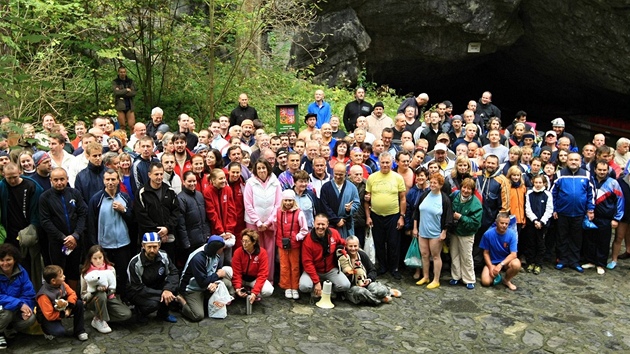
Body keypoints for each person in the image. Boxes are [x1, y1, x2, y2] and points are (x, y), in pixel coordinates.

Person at [87, 168, 133, 300]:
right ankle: (108, 302)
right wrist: (95, 246)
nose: (110, 182)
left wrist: (123, 210)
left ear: (118, 180)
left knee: (123, 275)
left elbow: (133, 219)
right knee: (106, 275)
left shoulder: (125, 197)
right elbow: (91, 224)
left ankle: (124, 299)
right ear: (103, 180)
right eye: (108, 179)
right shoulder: (96, 199)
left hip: (123, 243)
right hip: (105, 246)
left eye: (113, 179)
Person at [39, 167, 87, 291]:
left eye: (62, 179)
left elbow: (82, 214)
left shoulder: (74, 193)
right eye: (56, 180)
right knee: (58, 271)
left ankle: (73, 298)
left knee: (73, 270)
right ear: (51, 180)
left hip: (75, 240)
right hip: (57, 242)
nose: (59, 182)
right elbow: (45, 221)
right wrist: (63, 238)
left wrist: (75, 235)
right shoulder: (45, 197)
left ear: (67, 179)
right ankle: (59, 298)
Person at [0, 163, 43, 288]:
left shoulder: (32, 186)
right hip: (9, 234)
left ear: (19, 172)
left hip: (28, 234)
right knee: (10, 266)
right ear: (4, 175)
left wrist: (33, 230)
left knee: (29, 266)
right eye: (9, 178)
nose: (12, 180)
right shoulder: (2, 187)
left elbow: (37, 212)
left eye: (14, 177)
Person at [365, 152, 407, 280]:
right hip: (376, 215)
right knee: (379, 242)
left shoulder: (397, 178)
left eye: (387, 162)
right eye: (382, 162)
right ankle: (382, 267)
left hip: (393, 215)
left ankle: (394, 268)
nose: (385, 165)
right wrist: (368, 216)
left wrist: (402, 216)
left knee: (394, 243)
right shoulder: (372, 178)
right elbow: (366, 199)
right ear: (379, 163)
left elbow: (403, 198)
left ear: (392, 162)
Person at [552, 153, 594, 272]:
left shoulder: (586, 174)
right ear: (567, 161)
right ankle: (563, 259)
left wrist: (590, 209)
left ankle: (574, 261)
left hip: (580, 213)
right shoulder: (559, 174)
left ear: (580, 161)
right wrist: (554, 209)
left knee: (577, 238)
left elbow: (591, 193)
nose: (573, 162)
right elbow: (553, 193)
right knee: (562, 237)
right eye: (571, 160)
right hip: (562, 213)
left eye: (576, 160)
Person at [581, 160, 624, 274]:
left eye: (604, 170)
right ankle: (590, 261)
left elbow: (620, 201)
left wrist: (616, 218)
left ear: (608, 170)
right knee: (589, 240)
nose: (602, 172)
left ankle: (601, 264)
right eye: (599, 170)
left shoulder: (613, 183)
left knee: (603, 242)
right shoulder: (589, 181)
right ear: (595, 169)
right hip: (590, 216)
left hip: (606, 218)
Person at [412, 173, 454, 289]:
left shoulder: (444, 199)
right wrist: (415, 228)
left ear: (441, 185)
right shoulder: (425, 195)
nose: (432, 185)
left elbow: (448, 217)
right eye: (431, 182)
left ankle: (436, 279)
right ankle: (425, 276)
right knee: (424, 255)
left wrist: (444, 231)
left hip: (436, 233)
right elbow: (416, 212)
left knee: (436, 256)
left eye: (435, 183)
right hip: (422, 231)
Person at [127, 232, 179, 323]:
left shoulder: (164, 256)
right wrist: (162, 293)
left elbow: (173, 273)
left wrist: (167, 290)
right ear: (143, 246)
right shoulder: (135, 263)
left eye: (155, 247)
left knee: (172, 289)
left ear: (159, 246)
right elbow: (138, 288)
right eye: (149, 247)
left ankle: (163, 314)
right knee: (154, 303)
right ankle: (139, 312)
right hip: (137, 292)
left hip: (156, 285)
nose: (152, 250)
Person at [178, 235, 232, 322]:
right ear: (216, 249)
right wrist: (217, 276)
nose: (224, 248)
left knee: (227, 283)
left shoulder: (217, 254)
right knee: (197, 315)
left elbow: (216, 269)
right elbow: (202, 282)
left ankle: (205, 300)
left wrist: (215, 283)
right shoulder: (198, 258)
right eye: (222, 247)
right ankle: (181, 300)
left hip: (207, 283)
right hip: (193, 288)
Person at [243, 159, 281, 282]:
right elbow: (248, 205)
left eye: (263, 168)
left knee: (269, 252)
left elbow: (278, 204)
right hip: (253, 223)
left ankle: (268, 279)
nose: (261, 170)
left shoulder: (276, 182)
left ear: (268, 168)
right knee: (254, 250)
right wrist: (258, 222)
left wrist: (268, 222)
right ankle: (254, 280)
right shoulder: (250, 183)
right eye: (258, 168)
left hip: (270, 223)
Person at [79, 245, 132, 334]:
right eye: (95, 258)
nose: (98, 261)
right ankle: (100, 320)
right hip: (93, 300)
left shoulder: (110, 269)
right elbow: (83, 295)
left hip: (109, 298)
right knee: (101, 294)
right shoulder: (86, 273)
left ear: (104, 257)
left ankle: (100, 316)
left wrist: (108, 290)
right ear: (90, 259)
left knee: (126, 314)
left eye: (100, 257)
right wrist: (94, 290)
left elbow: (113, 288)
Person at [135, 162, 181, 260]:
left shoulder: (170, 191)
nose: (159, 177)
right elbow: (141, 216)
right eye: (156, 174)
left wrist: (167, 229)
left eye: (161, 174)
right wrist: (158, 233)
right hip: (150, 240)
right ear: (149, 175)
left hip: (168, 238)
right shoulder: (142, 193)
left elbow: (176, 212)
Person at [299, 214, 351, 296]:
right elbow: (307, 263)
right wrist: (316, 282)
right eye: (318, 224)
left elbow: (342, 242)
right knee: (304, 286)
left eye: (323, 224)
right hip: (314, 270)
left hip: (330, 269)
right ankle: (317, 289)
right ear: (313, 224)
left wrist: (352, 247)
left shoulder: (334, 233)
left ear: (327, 224)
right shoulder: (308, 240)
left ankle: (328, 291)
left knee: (345, 285)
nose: (320, 227)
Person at [36, 265, 88, 340]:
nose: (64, 276)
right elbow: (49, 315)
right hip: (48, 317)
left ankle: (79, 331)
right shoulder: (43, 295)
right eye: (61, 276)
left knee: (79, 303)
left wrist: (70, 306)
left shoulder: (62, 283)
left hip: (62, 308)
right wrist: (64, 314)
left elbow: (72, 294)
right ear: (53, 281)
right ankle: (46, 329)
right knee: (60, 332)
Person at [0, 244, 36, 350]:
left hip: (15, 307)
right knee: (7, 313)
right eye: (2, 260)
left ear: (14, 260)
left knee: (30, 317)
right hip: (3, 309)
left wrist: (25, 307)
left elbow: (29, 293)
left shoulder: (21, 271)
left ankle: (8, 327)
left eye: (8, 259)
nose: (5, 263)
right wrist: (19, 304)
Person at [340, 236, 395, 305]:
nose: (353, 248)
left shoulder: (362, 255)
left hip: (365, 282)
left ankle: (386, 291)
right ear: (346, 246)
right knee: (361, 293)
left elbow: (372, 270)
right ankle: (379, 299)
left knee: (381, 291)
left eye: (355, 246)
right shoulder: (342, 258)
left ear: (358, 246)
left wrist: (369, 279)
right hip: (352, 287)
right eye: (350, 246)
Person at [448, 178, 483, 289]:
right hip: (454, 231)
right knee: (454, 254)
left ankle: (469, 278)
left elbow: (475, 223)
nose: (466, 190)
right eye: (464, 187)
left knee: (466, 256)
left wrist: (461, 217)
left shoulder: (476, 204)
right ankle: (456, 276)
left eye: (469, 188)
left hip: (467, 233)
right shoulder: (455, 196)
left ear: (472, 190)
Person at [276, 190, 308, 299]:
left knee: (294, 265)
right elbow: (274, 224)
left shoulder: (299, 213)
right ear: (282, 200)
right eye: (286, 200)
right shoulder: (278, 212)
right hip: (282, 243)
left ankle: (295, 286)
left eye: (290, 200)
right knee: (284, 265)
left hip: (294, 244)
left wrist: (297, 237)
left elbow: (304, 229)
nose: (288, 203)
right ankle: (286, 286)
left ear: (293, 201)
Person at [232, 229, 274, 305]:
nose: (244, 244)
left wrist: (255, 292)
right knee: (227, 270)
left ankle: (252, 294)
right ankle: (235, 293)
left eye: (247, 241)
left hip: (253, 279)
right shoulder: (238, 252)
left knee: (268, 290)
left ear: (254, 242)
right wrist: (237, 288)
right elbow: (236, 272)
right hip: (241, 278)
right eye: (243, 241)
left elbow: (263, 274)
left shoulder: (262, 253)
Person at [479, 212, 520, 291]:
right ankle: (495, 275)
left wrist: (500, 265)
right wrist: (491, 267)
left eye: (506, 224)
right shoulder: (488, 234)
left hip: (506, 262)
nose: (504, 225)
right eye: (502, 223)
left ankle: (506, 280)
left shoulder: (512, 234)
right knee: (486, 282)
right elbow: (486, 253)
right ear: (496, 222)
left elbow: (513, 254)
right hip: (493, 262)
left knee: (516, 264)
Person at [203, 168, 237, 262]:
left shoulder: (227, 189)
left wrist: (229, 230)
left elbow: (231, 210)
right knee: (218, 259)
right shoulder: (207, 192)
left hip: (228, 232)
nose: (224, 180)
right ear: (213, 180)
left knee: (228, 259)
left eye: (224, 178)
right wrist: (221, 231)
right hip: (216, 232)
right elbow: (211, 213)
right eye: (220, 178)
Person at [320, 163, 360, 238]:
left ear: (346, 173)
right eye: (336, 174)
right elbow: (324, 206)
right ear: (333, 172)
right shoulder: (326, 187)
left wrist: (349, 209)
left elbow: (356, 203)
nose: (338, 177)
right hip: (331, 224)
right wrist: (336, 220)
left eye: (341, 174)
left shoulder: (352, 187)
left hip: (346, 223)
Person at [523, 175, 553, 275]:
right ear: (533, 182)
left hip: (543, 224)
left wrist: (541, 221)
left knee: (541, 244)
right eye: (536, 182)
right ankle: (530, 262)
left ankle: (538, 264)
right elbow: (528, 208)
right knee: (531, 243)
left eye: (540, 183)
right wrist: (534, 220)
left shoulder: (547, 194)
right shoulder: (529, 193)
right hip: (532, 223)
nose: (538, 185)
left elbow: (549, 210)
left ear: (544, 183)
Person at [177, 171, 211, 256]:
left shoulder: (199, 195)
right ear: (183, 182)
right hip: (191, 242)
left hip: (203, 239)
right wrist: (186, 242)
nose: (192, 183)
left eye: (194, 181)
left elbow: (205, 218)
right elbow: (181, 224)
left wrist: (207, 234)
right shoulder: (181, 198)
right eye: (189, 181)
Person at [112, 66, 137, 131]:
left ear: (126, 72)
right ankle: (123, 140)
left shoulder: (130, 81)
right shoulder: (115, 82)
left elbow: (133, 93)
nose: (122, 73)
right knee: (122, 126)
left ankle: (133, 140)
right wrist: (126, 90)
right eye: (121, 72)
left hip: (130, 106)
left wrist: (121, 92)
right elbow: (116, 92)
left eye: (124, 72)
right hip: (120, 106)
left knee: (132, 126)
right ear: (118, 73)